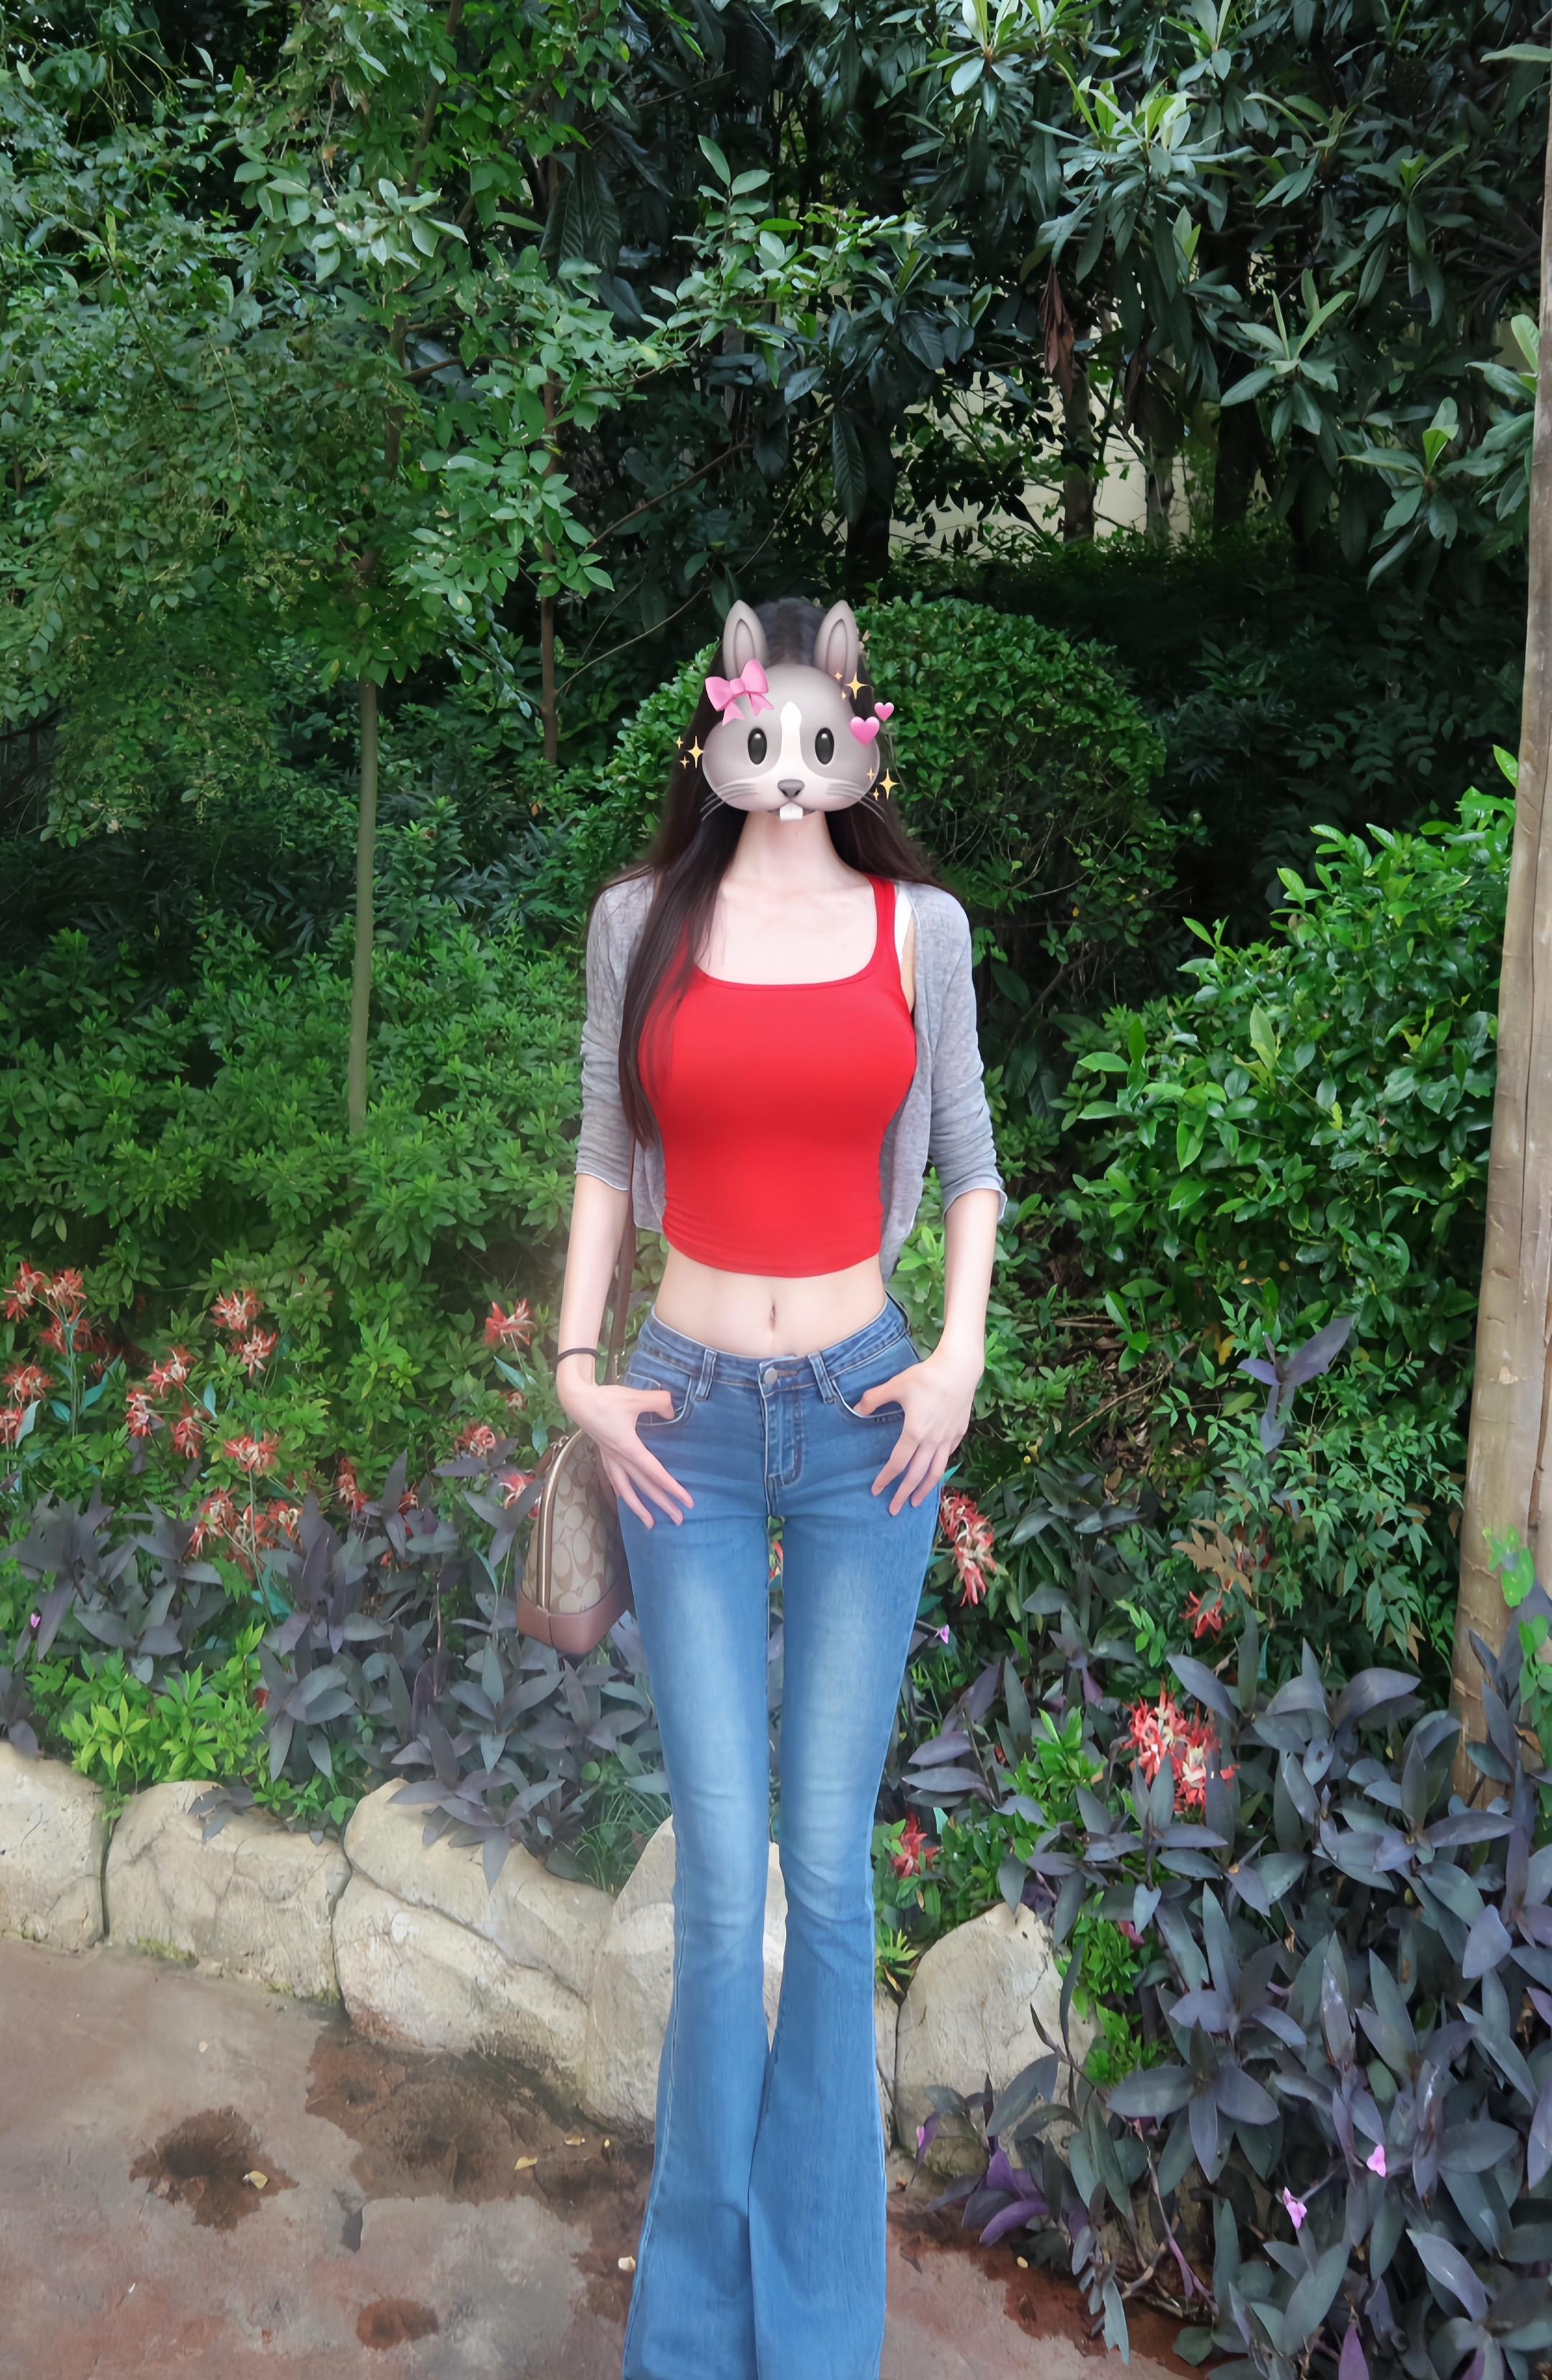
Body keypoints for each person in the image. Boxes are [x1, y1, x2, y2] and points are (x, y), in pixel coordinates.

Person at [553, 592, 1005, 2380]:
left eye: (828, 730)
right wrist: (577, 1371)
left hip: (862, 1423)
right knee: (719, 1890)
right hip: (678, 1428)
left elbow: (969, 1165)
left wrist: (956, 1360)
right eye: (768, 727)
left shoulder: (920, 931)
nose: (797, 764)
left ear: (860, 731)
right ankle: (689, 2338)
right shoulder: (639, 924)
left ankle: (814, 2338)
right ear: (722, 730)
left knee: (825, 1881)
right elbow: (605, 1155)